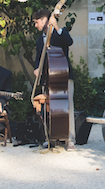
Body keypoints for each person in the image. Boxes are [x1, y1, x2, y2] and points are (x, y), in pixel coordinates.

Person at [32, 8, 76, 150]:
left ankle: (70, 139)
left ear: (45, 21)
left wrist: (56, 26)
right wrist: (37, 68)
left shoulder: (59, 33)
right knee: (48, 108)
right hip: (48, 78)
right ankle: (50, 137)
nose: (35, 25)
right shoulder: (40, 40)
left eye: (36, 22)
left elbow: (69, 42)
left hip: (63, 76)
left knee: (67, 107)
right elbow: (38, 58)